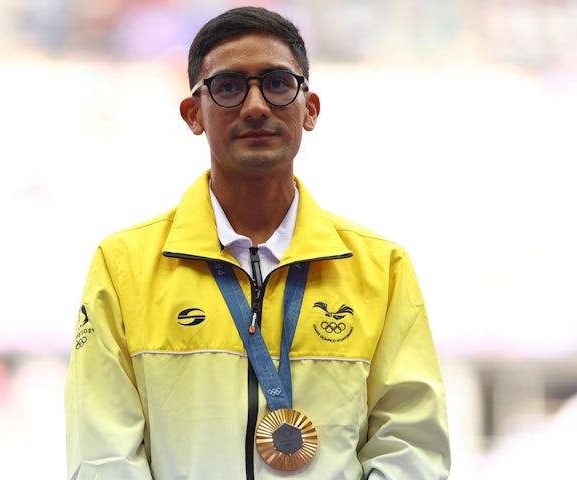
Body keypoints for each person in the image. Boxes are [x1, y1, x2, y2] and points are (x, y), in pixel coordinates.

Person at [65, 6, 451, 480]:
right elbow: (103, 454)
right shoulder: (123, 265)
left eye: (276, 83)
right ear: (193, 114)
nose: (254, 106)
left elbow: (411, 444)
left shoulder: (381, 268)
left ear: (309, 109)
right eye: (228, 86)